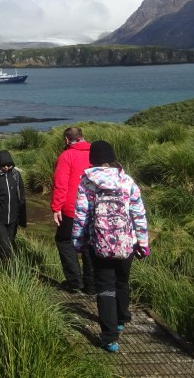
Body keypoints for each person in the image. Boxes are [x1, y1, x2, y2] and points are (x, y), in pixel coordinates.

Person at [72, 140, 150, 353]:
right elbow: (138, 214)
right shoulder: (127, 181)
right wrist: (143, 242)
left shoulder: (87, 182)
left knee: (105, 288)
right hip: (127, 243)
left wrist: (78, 242)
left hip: (100, 244)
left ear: (92, 159)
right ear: (112, 157)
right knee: (122, 280)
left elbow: (81, 215)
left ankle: (110, 338)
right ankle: (122, 318)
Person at [51, 126, 95, 295]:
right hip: (93, 207)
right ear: (82, 137)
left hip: (71, 208)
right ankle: (91, 285)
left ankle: (75, 282)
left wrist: (56, 207)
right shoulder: (95, 153)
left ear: (67, 140)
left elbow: (61, 184)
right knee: (89, 244)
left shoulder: (66, 155)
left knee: (64, 240)